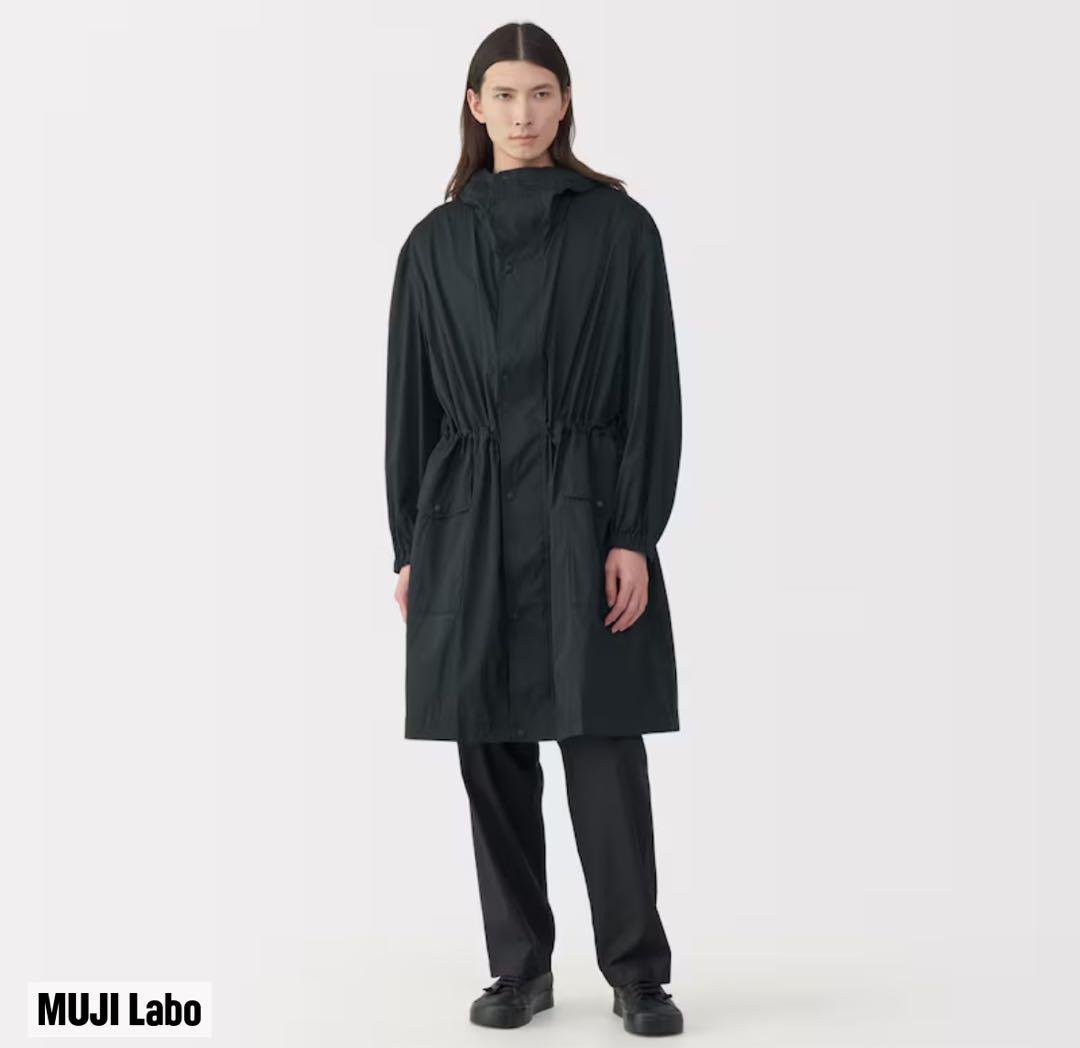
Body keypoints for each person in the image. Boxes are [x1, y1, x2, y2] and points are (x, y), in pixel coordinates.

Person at [384, 21, 684, 1038]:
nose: (523, 113)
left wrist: (634, 531)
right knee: (489, 745)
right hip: (467, 521)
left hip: (582, 513)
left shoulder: (619, 230)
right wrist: (410, 546)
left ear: (565, 103)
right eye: (504, 94)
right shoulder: (434, 245)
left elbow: (650, 389)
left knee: (602, 743)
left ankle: (638, 972)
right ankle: (518, 968)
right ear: (475, 105)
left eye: (541, 93)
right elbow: (412, 408)